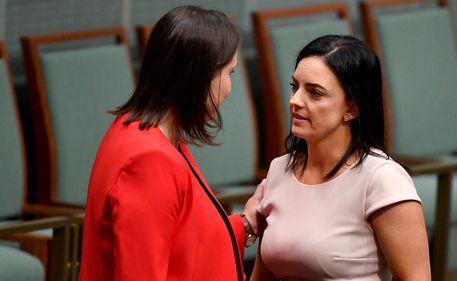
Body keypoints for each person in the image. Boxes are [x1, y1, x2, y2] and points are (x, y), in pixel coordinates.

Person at [78, 6, 264, 281]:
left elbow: (187, 244)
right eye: (229, 73)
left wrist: (247, 224)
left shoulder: (139, 128)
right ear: (199, 77)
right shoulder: (149, 159)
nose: (228, 88)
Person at [251, 35, 431, 281]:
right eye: (295, 87)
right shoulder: (279, 170)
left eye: (314, 93)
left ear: (351, 108)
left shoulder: (382, 179)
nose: (295, 100)